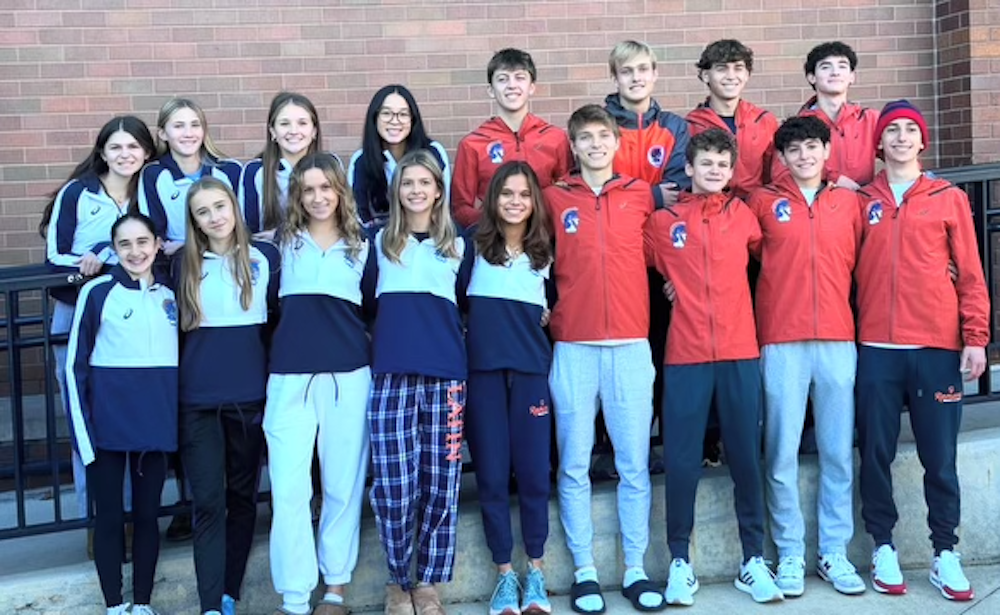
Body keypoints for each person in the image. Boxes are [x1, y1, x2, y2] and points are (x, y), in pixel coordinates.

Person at [855, 100, 989, 601]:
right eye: (893, 131)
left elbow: (970, 270)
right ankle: (883, 545)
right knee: (875, 453)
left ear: (922, 140)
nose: (902, 138)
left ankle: (944, 551)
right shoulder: (861, 200)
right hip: (877, 348)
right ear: (880, 142)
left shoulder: (947, 197)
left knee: (940, 456)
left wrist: (975, 337)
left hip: (935, 346)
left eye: (911, 130)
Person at [644, 128, 782, 606]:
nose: (715, 170)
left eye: (723, 164)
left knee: (745, 456)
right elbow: (631, 265)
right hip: (686, 353)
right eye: (706, 163)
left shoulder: (744, 215)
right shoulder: (662, 223)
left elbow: (781, 257)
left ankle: (752, 559)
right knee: (682, 462)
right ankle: (680, 560)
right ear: (690, 166)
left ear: (731, 169)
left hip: (741, 350)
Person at [544, 104, 664, 614]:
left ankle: (635, 568)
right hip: (573, 344)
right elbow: (530, 255)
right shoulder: (553, 198)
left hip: (632, 344)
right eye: (585, 138)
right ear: (572, 146)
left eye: (603, 137)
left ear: (617, 143)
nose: (595, 145)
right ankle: (585, 571)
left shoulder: (642, 194)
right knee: (573, 462)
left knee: (633, 464)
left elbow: (666, 253)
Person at [747, 116, 865, 597]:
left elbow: (879, 255)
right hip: (780, 337)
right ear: (781, 157)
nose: (803, 156)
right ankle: (791, 553)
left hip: (838, 337)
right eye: (792, 149)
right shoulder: (761, 203)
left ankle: (834, 552)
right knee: (780, 453)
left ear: (826, 149)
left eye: (812, 147)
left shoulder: (850, 201)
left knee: (838, 451)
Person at [264, 153, 373, 615]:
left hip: (348, 376)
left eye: (326, 187)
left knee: (341, 485)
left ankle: (335, 588)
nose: (317, 197)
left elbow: (373, 310)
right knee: (289, 488)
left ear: (340, 191)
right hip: (289, 377)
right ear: (297, 195)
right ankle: (293, 597)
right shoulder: (279, 246)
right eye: (308, 189)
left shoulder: (364, 246)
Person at [41, 115, 155, 552]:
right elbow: (55, 254)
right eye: (116, 147)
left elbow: (157, 245)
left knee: (130, 413)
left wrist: (107, 253)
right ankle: (100, 519)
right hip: (77, 316)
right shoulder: (80, 192)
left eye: (133, 147)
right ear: (102, 152)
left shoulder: (151, 190)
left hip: (135, 317)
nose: (125, 155)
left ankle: (132, 518)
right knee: (85, 417)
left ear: (146, 151)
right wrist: (93, 262)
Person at [369, 149, 473, 615]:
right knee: (395, 485)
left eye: (424, 183)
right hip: (391, 374)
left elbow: (469, 305)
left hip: (446, 377)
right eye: (407, 183)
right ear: (397, 191)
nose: (415, 190)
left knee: (441, 484)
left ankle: (428, 582)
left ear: (437, 190)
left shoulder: (459, 246)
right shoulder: (377, 244)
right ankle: (398, 580)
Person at [175, 177, 280, 615]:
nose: (214, 217)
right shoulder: (180, 263)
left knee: (242, 500)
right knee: (208, 502)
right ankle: (209, 607)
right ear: (194, 222)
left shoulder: (264, 258)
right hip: (198, 402)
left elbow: (274, 323)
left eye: (220, 206)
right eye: (203, 212)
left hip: (250, 399)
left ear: (235, 208)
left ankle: (228, 595)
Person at [65, 212, 178, 615]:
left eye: (143, 242)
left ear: (157, 244)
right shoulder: (96, 293)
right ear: (114, 249)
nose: (135, 251)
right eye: (125, 244)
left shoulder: (173, 291)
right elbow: (73, 368)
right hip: (107, 430)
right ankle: (114, 605)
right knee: (110, 520)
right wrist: (84, 439)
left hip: (155, 426)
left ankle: (142, 603)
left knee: (148, 518)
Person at [464, 161, 554, 615]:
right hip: (482, 378)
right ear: (492, 200)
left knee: (536, 476)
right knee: (494, 477)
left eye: (524, 194)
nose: (515, 202)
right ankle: (505, 575)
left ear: (534, 201)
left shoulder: (547, 253)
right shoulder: (471, 249)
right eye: (506, 194)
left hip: (531, 376)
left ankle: (536, 572)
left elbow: (559, 307)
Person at [450, 48, 572, 228]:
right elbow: (460, 207)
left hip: (545, 241)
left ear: (532, 87)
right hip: (494, 244)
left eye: (520, 77)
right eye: (502, 79)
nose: (512, 85)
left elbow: (569, 193)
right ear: (491, 90)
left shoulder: (555, 138)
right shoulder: (473, 144)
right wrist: (492, 227)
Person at [138, 97, 242, 255]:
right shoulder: (153, 174)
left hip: (228, 256)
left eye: (195, 125)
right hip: (178, 262)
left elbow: (243, 224)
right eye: (179, 126)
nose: (188, 133)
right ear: (163, 133)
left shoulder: (230, 170)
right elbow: (155, 233)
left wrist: (189, 246)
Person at [239, 91, 342, 236]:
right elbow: (249, 230)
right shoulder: (255, 171)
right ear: (273, 131)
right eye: (284, 124)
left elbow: (344, 216)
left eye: (302, 123)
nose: (294, 131)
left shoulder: (331, 163)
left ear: (314, 131)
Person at [686, 39, 779, 199]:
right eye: (722, 69)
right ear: (706, 75)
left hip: (755, 210)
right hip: (709, 211)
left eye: (738, 68)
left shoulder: (764, 121)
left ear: (747, 75)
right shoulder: (690, 125)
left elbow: (777, 175)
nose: (731, 76)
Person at [348, 85, 450, 229]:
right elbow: (358, 214)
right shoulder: (361, 160)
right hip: (378, 242)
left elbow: (444, 205)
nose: (395, 121)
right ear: (375, 117)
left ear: (412, 119)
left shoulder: (433, 152)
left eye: (403, 114)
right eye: (386, 113)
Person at [604, 39, 691, 208]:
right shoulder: (599, 127)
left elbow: (676, 189)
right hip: (615, 226)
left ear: (654, 74)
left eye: (643, 69)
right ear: (615, 79)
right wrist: (654, 196)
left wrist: (626, 198)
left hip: (662, 227)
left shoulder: (674, 127)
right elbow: (598, 191)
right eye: (626, 71)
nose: (636, 78)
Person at [795, 41, 878, 190]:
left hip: (863, 206)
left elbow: (902, 156)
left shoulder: (871, 120)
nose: (835, 72)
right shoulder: (797, 126)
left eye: (842, 66)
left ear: (852, 76)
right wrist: (833, 178)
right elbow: (782, 172)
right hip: (819, 207)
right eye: (826, 67)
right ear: (811, 77)